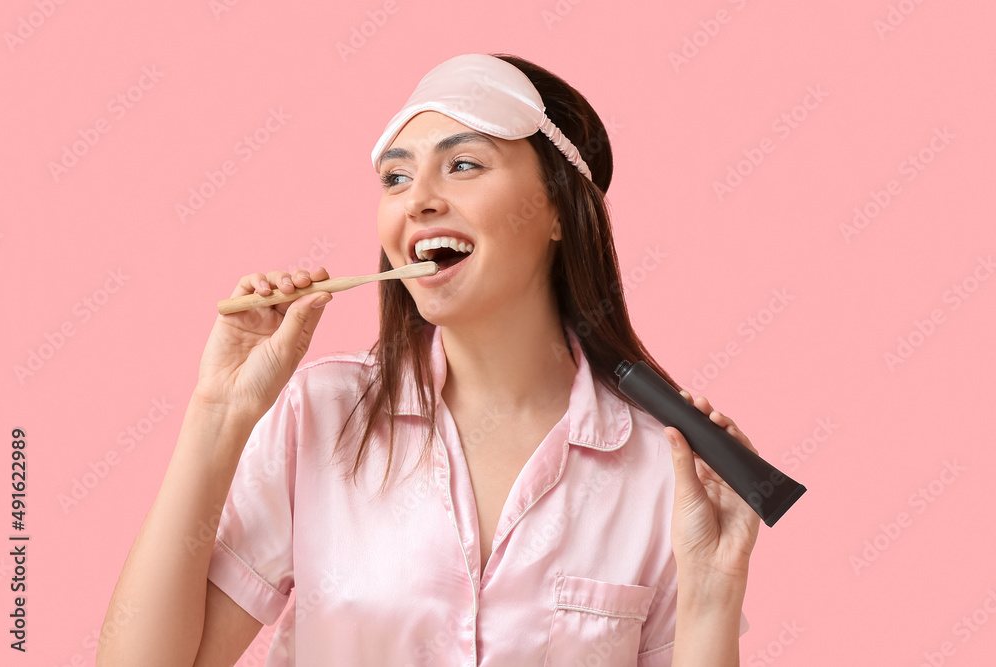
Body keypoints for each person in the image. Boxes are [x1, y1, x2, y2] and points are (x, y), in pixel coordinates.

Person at [98, 53, 761, 666]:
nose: (418, 200)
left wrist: (713, 593)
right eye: (395, 176)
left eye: (463, 164)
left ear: (557, 207)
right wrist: (220, 413)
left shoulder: (660, 470)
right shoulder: (322, 416)